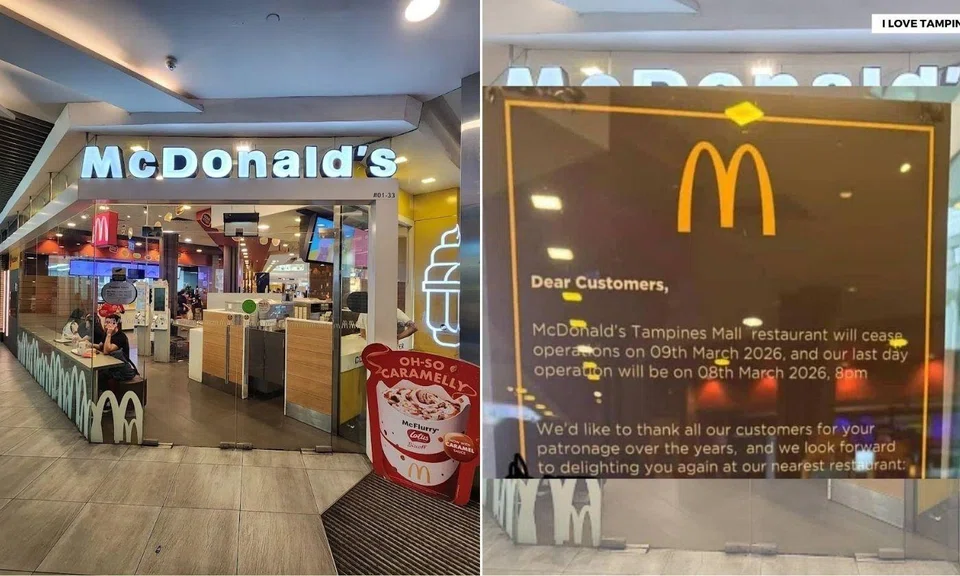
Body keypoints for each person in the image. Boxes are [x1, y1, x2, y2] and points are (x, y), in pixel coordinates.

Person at [94, 314, 138, 382]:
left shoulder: (120, 336)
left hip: (121, 369)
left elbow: (106, 351)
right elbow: (100, 346)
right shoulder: (106, 334)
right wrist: (90, 345)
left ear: (116, 324)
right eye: (105, 322)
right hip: (111, 365)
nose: (105, 325)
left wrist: (109, 334)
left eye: (108, 322)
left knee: (100, 376)